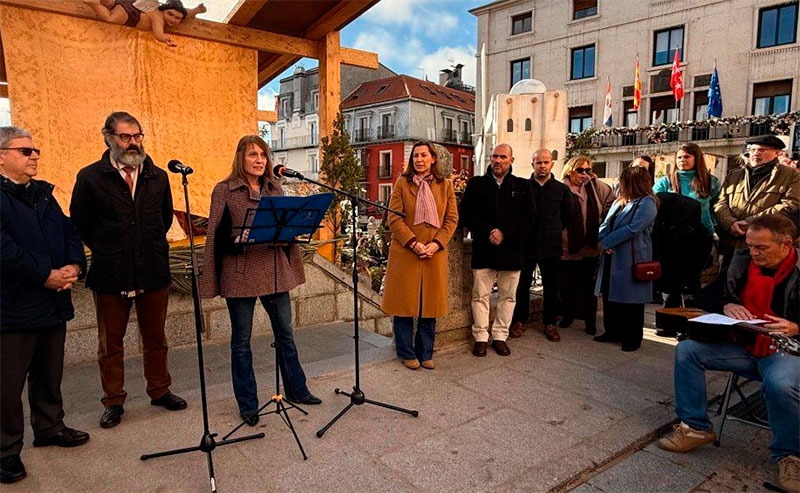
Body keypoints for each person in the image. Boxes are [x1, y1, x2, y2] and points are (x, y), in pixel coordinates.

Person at [658, 214, 799, 493]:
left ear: (786, 245)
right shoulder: (742, 261)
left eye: (761, 247)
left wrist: (796, 327)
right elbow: (704, 295)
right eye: (750, 245)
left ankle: (790, 455)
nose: (753, 252)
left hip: (785, 350)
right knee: (688, 350)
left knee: (781, 383)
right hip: (743, 344)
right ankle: (696, 427)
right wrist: (725, 306)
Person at [70, 112, 186, 429]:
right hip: (111, 272)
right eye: (125, 137)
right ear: (108, 137)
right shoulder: (90, 177)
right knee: (111, 343)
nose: (133, 142)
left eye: (138, 136)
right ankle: (113, 401)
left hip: (152, 270)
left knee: (156, 337)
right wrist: (109, 249)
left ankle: (160, 390)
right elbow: (80, 223)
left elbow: (163, 220)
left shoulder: (158, 177)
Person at [200, 135, 321, 426]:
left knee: (286, 335)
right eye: (253, 154)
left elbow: (284, 227)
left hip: (273, 270)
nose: (259, 160)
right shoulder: (224, 191)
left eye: (263, 155)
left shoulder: (274, 188)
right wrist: (238, 239)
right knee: (241, 342)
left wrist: (293, 230)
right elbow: (217, 236)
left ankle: (297, 390)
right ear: (240, 158)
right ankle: (248, 404)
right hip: (240, 273)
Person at [0, 127, 89, 484]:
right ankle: (6, 451)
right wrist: (45, 275)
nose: (34, 156)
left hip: (51, 302)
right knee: (7, 385)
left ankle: (50, 427)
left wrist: (73, 265)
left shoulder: (43, 194)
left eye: (35, 150)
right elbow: (3, 250)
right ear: (2, 155)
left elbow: (69, 231)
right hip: (12, 307)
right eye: (25, 151)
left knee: (49, 372)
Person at [381, 142, 459, 370]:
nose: (419, 160)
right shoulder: (402, 183)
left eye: (424, 155)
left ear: (433, 159)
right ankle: (406, 352)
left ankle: (426, 352)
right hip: (407, 252)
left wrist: (436, 243)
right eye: (416, 156)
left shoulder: (445, 186)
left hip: (433, 253)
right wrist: (413, 243)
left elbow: (451, 219)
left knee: (429, 305)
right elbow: (393, 218)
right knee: (404, 305)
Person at [459, 144, 533, 357]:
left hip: (512, 251)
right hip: (484, 249)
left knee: (508, 297)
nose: (498, 160)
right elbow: (467, 214)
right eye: (494, 156)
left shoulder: (522, 186)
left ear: (511, 160)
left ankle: (500, 336)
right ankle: (481, 337)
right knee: (479, 296)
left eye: (502, 157)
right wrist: (489, 231)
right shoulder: (477, 184)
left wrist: (505, 233)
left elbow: (529, 218)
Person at [593, 166, 657, 351]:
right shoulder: (619, 201)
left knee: (631, 301)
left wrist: (607, 243)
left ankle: (632, 338)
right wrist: (602, 239)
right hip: (612, 257)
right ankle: (611, 331)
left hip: (631, 257)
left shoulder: (647, 203)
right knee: (610, 296)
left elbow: (633, 229)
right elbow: (606, 223)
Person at [511, 148, 571, 342]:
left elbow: (567, 217)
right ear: (533, 165)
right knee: (521, 286)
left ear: (552, 164)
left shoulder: (561, 190)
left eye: (546, 162)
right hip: (526, 247)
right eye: (538, 162)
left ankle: (550, 323)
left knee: (551, 288)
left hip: (551, 247)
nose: (542, 165)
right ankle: (520, 321)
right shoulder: (523, 187)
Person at [715, 134, 800, 268]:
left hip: (765, 245)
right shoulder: (734, 175)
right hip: (732, 244)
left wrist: (751, 223)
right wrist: (730, 223)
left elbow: (789, 205)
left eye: (761, 150)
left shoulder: (790, 175)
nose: (755, 154)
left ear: (776, 153)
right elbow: (721, 203)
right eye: (752, 149)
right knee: (729, 283)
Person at [653, 143, 720, 307]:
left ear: (696, 158)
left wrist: (714, 232)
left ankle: (689, 324)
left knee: (692, 282)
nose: (682, 160)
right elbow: (653, 206)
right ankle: (668, 321)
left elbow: (715, 209)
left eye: (687, 156)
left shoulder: (710, 181)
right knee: (670, 283)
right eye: (680, 157)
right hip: (671, 239)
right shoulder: (665, 181)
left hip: (699, 238)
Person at [559, 155, 614, 335]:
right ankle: (568, 316)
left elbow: (613, 206)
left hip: (591, 248)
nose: (584, 174)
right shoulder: (561, 188)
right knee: (568, 285)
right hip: (567, 247)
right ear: (570, 170)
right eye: (580, 170)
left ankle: (590, 321)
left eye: (588, 170)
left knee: (589, 287)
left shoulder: (597, 187)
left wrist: (604, 229)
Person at [82, 0, 206, 47]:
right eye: (170, 14)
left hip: (131, 10)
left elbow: (185, 14)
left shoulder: (171, 16)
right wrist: (166, 39)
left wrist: (196, 10)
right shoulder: (158, 16)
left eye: (177, 18)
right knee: (111, 18)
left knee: (109, 4)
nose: (173, 19)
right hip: (131, 12)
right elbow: (158, 33)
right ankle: (92, 3)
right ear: (163, 10)